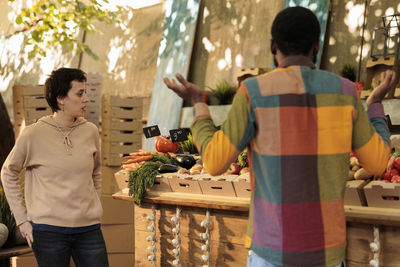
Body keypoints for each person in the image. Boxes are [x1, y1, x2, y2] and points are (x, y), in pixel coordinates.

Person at [163, 6, 396, 267]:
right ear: (316, 46)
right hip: (326, 254)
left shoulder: (252, 92)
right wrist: (374, 105)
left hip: (270, 252)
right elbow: (377, 164)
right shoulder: (345, 92)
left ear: (273, 46)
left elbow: (215, 162)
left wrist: (198, 103)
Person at [1, 68, 108, 267]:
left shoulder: (90, 131)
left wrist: (95, 205)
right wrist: (22, 220)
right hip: (48, 231)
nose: (87, 99)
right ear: (60, 99)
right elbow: (8, 172)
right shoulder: (33, 134)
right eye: (80, 93)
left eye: (86, 92)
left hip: (89, 229)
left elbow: (96, 172)